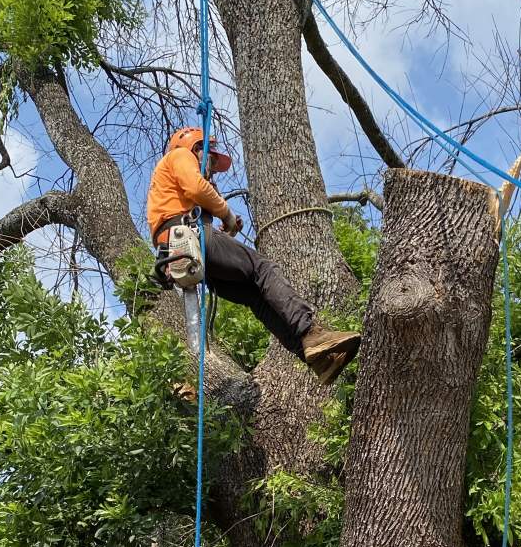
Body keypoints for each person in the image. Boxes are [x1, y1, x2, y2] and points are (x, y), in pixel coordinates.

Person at [146, 127, 361, 385]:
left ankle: (316, 357)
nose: (211, 168)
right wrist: (224, 212)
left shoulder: (171, 193)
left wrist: (223, 225)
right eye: (211, 160)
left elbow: (191, 199)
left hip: (186, 245)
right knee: (263, 268)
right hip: (189, 236)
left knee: (255, 297)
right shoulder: (180, 155)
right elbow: (195, 187)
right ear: (196, 146)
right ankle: (310, 330)